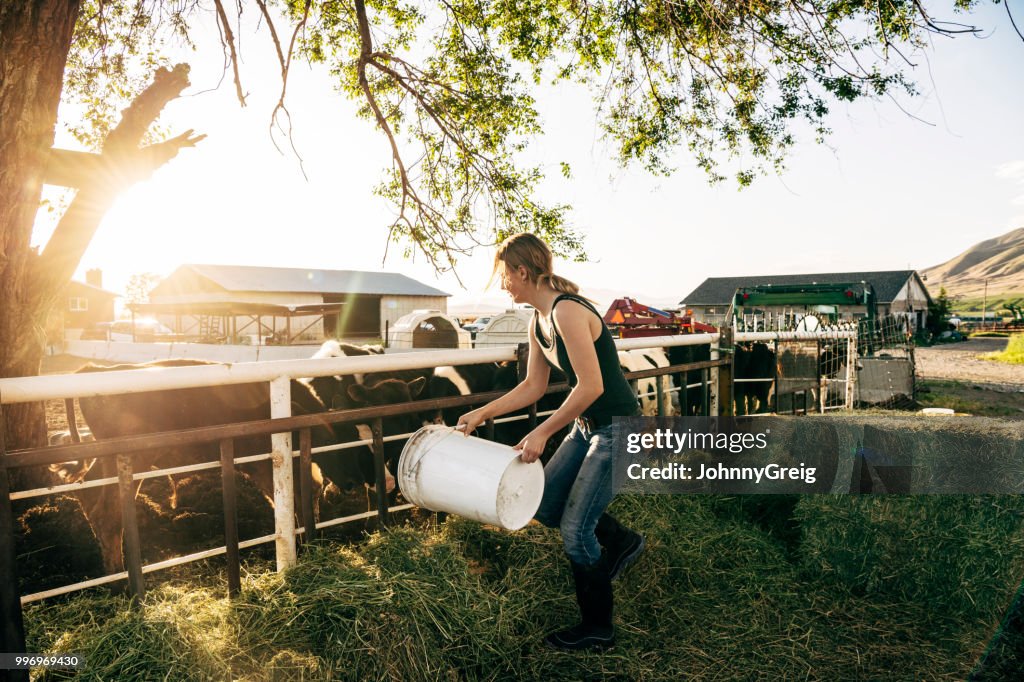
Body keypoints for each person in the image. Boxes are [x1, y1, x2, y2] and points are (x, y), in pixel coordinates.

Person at [457, 232, 645, 651]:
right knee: (544, 504)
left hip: (618, 429)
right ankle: (622, 542)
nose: (503, 285)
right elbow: (533, 387)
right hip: (587, 428)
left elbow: (592, 386)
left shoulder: (567, 312)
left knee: (576, 532)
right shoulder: (538, 321)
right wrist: (481, 413)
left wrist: (542, 431)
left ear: (523, 272)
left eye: (505, 276)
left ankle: (598, 629)